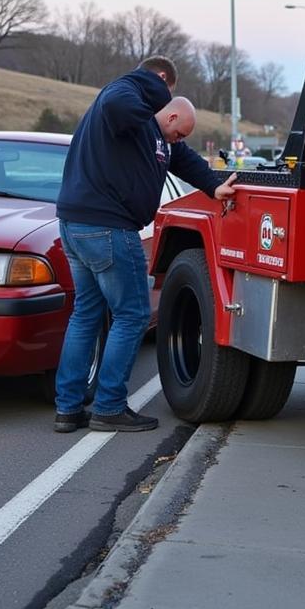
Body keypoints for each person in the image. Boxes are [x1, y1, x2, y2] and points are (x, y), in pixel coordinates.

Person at [53, 56, 237, 433]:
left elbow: (181, 158)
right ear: (163, 92)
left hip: (77, 226)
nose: (179, 140)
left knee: (86, 315)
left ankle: (68, 409)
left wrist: (213, 186)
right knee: (133, 315)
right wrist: (154, 89)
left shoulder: (155, 135)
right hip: (105, 228)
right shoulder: (124, 100)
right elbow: (118, 103)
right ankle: (108, 407)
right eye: (179, 131)